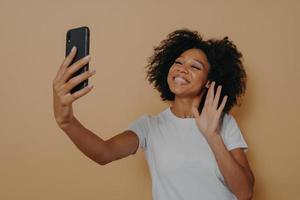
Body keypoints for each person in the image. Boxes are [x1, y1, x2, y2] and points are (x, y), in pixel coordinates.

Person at [52, 29, 254, 200]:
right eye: (178, 62)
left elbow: (245, 192)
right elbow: (104, 153)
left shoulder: (224, 123)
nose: (182, 70)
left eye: (195, 66)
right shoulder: (150, 126)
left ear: (209, 81)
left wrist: (213, 136)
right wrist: (66, 122)